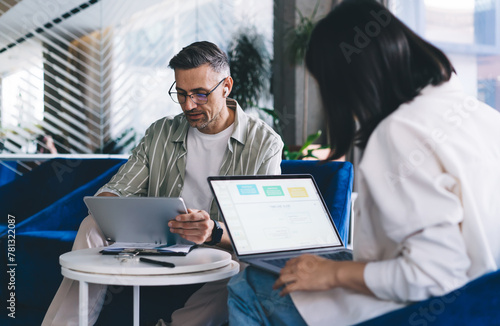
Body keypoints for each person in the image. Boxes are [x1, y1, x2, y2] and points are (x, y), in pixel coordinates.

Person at [226, 0, 500, 325]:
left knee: (248, 286)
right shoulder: (482, 115)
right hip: (485, 303)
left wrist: (334, 272)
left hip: (434, 310)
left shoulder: (400, 130)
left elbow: (434, 274)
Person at [42, 41, 283, 326]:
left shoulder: (264, 143)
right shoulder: (161, 132)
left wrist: (214, 231)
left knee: (243, 269)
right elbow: (119, 188)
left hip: (219, 246)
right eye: (181, 94)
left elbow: (263, 231)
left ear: (226, 86)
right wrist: (108, 206)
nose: (188, 105)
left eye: (200, 94)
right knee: (91, 225)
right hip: (159, 238)